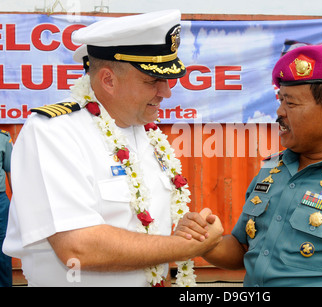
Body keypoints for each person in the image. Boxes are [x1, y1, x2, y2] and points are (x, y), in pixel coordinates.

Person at [2, 10, 222, 287]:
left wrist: (188, 232)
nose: (166, 92)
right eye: (153, 80)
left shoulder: (147, 134)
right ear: (108, 80)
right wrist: (185, 248)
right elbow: (77, 247)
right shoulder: (53, 131)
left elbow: (143, 228)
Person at [176, 45, 322, 286]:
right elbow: (243, 248)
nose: (279, 112)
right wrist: (206, 240)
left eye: (290, 104)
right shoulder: (272, 170)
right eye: (280, 100)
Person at [0, 130, 12, 287]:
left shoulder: (3, 138)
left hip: (0, 201)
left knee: (2, 250)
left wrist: (17, 201)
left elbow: (10, 170)